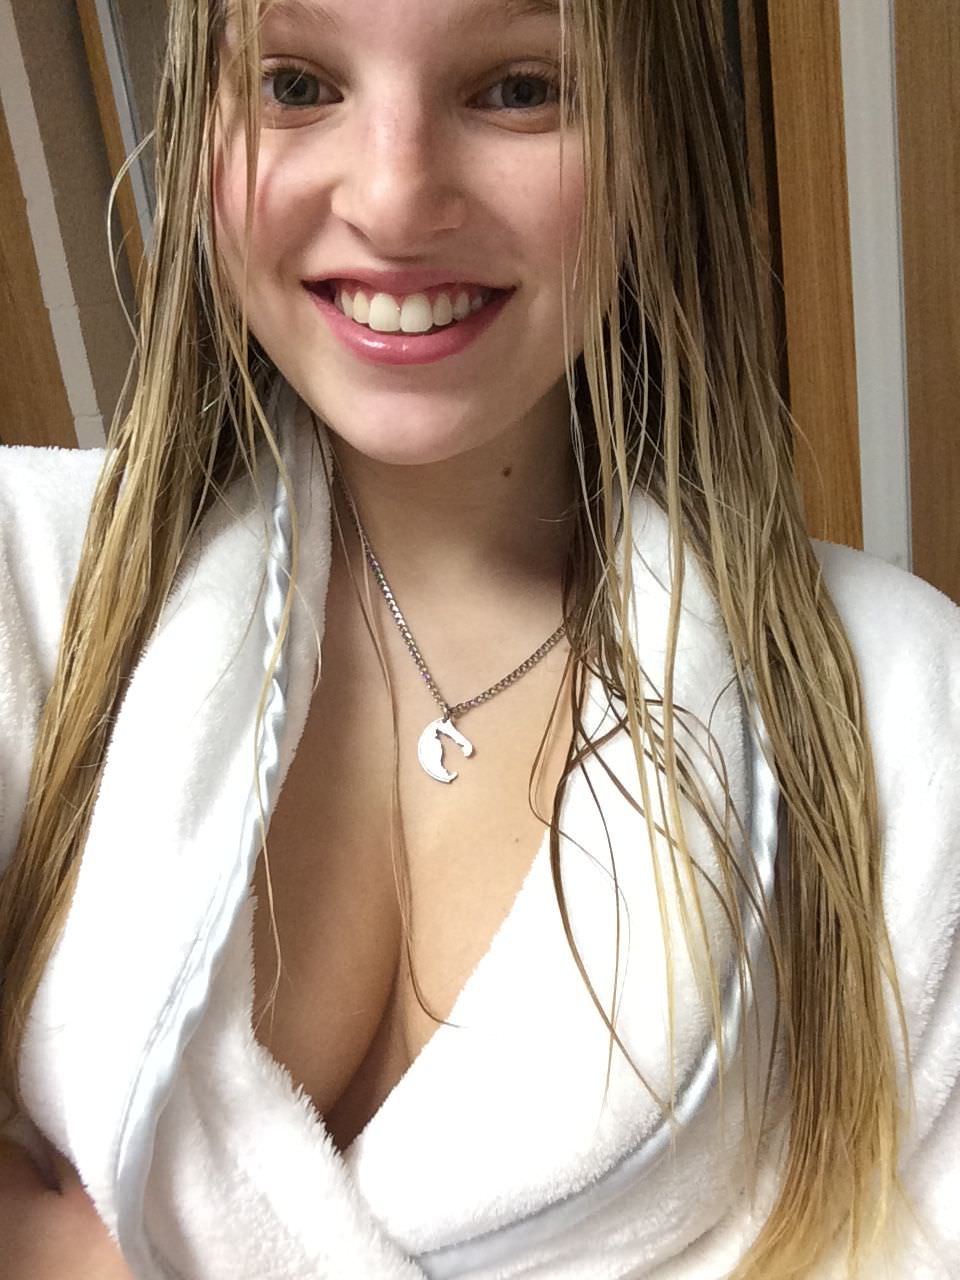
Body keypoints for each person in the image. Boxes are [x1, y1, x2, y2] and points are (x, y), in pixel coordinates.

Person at [0, 0, 958, 1276]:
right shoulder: (30, 579)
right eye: (297, 84)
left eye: (516, 89)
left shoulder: (900, 709)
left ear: (654, 140)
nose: (394, 202)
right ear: (197, 125)